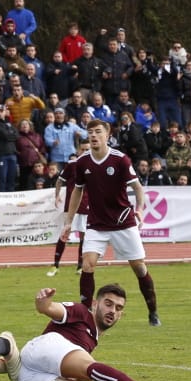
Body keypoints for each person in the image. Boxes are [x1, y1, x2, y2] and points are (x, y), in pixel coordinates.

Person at [5, 284, 185, 381]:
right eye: (108, 304)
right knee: (89, 367)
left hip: (29, 379)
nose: (112, 311)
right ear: (95, 303)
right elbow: (51, 309)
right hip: (44, 346)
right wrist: (44, 304)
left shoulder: (93, 336)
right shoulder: (82, 312)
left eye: (118, 308)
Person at [64, 118, 161, 325]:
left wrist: (140, 209)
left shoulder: (120, 160)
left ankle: (153, 311)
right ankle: (84, 316)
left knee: (139, 268)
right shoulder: (82, 162)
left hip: (123, 223)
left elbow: (137, 188)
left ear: (108, 135)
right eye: (90, 132)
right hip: (96, 224)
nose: (93, 136)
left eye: (98, 132)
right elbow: (77, 191)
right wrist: (68, 221)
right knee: (87, 265)